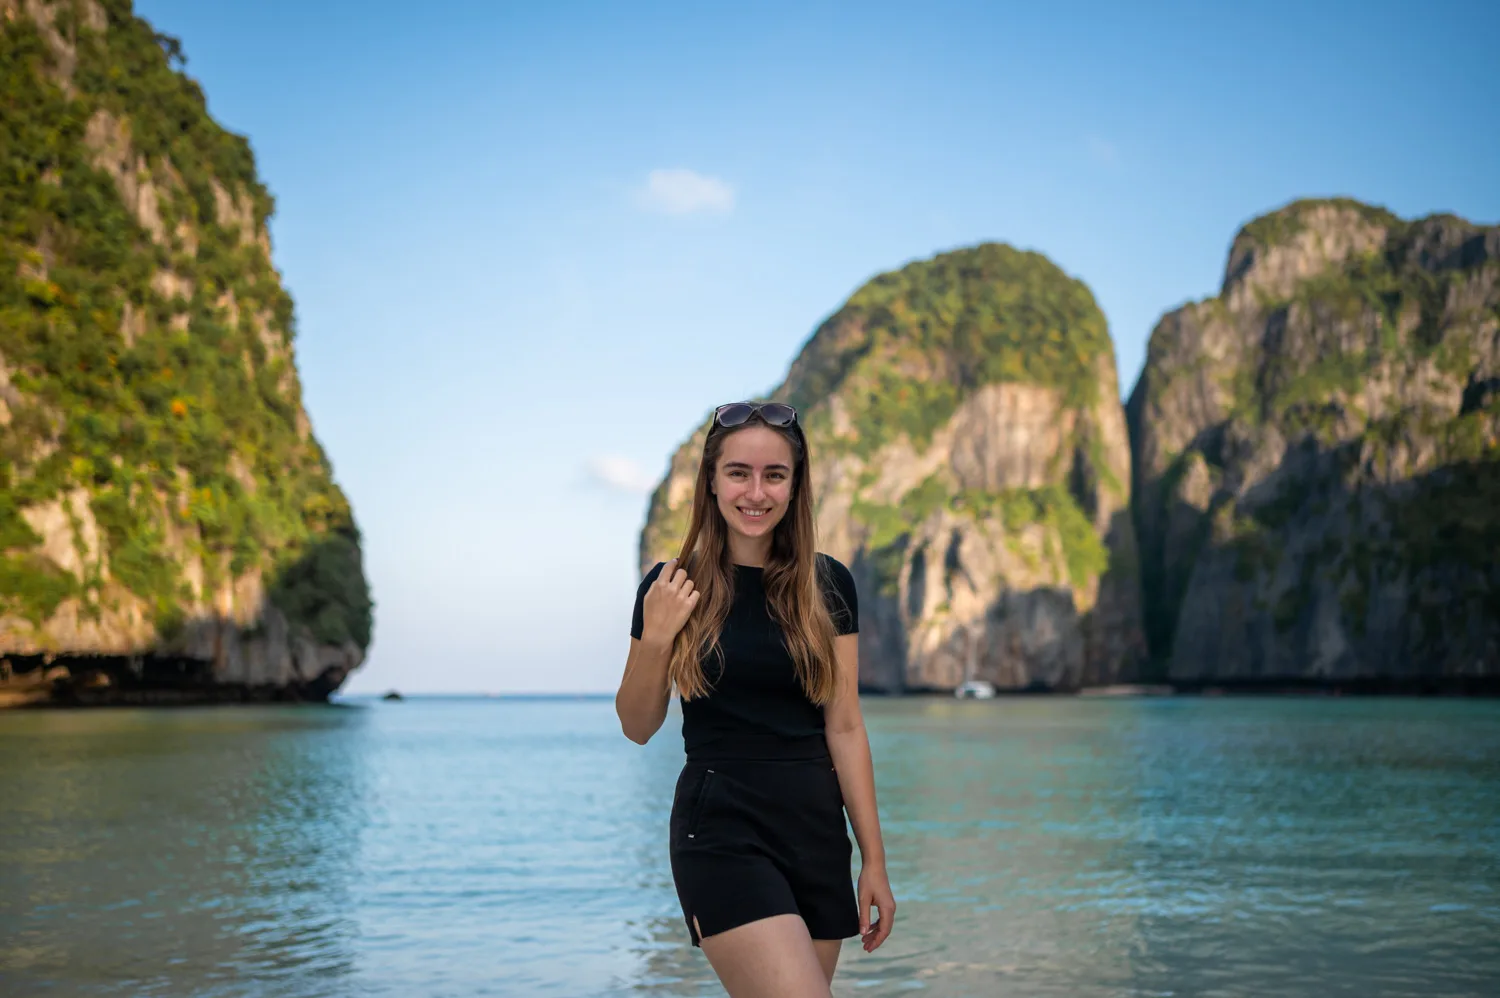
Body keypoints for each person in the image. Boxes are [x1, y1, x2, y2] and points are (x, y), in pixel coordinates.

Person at [615, 400, 897, 998]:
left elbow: (844, 727)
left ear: (796, 487)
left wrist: (874, 859)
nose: (756, 492)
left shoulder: (829, 586)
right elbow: (638, 725)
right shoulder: (671, 587)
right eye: (739, 472)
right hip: (721, 831)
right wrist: (659, 634)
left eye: (775, 475)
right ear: (712, 483)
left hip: (816, 835)